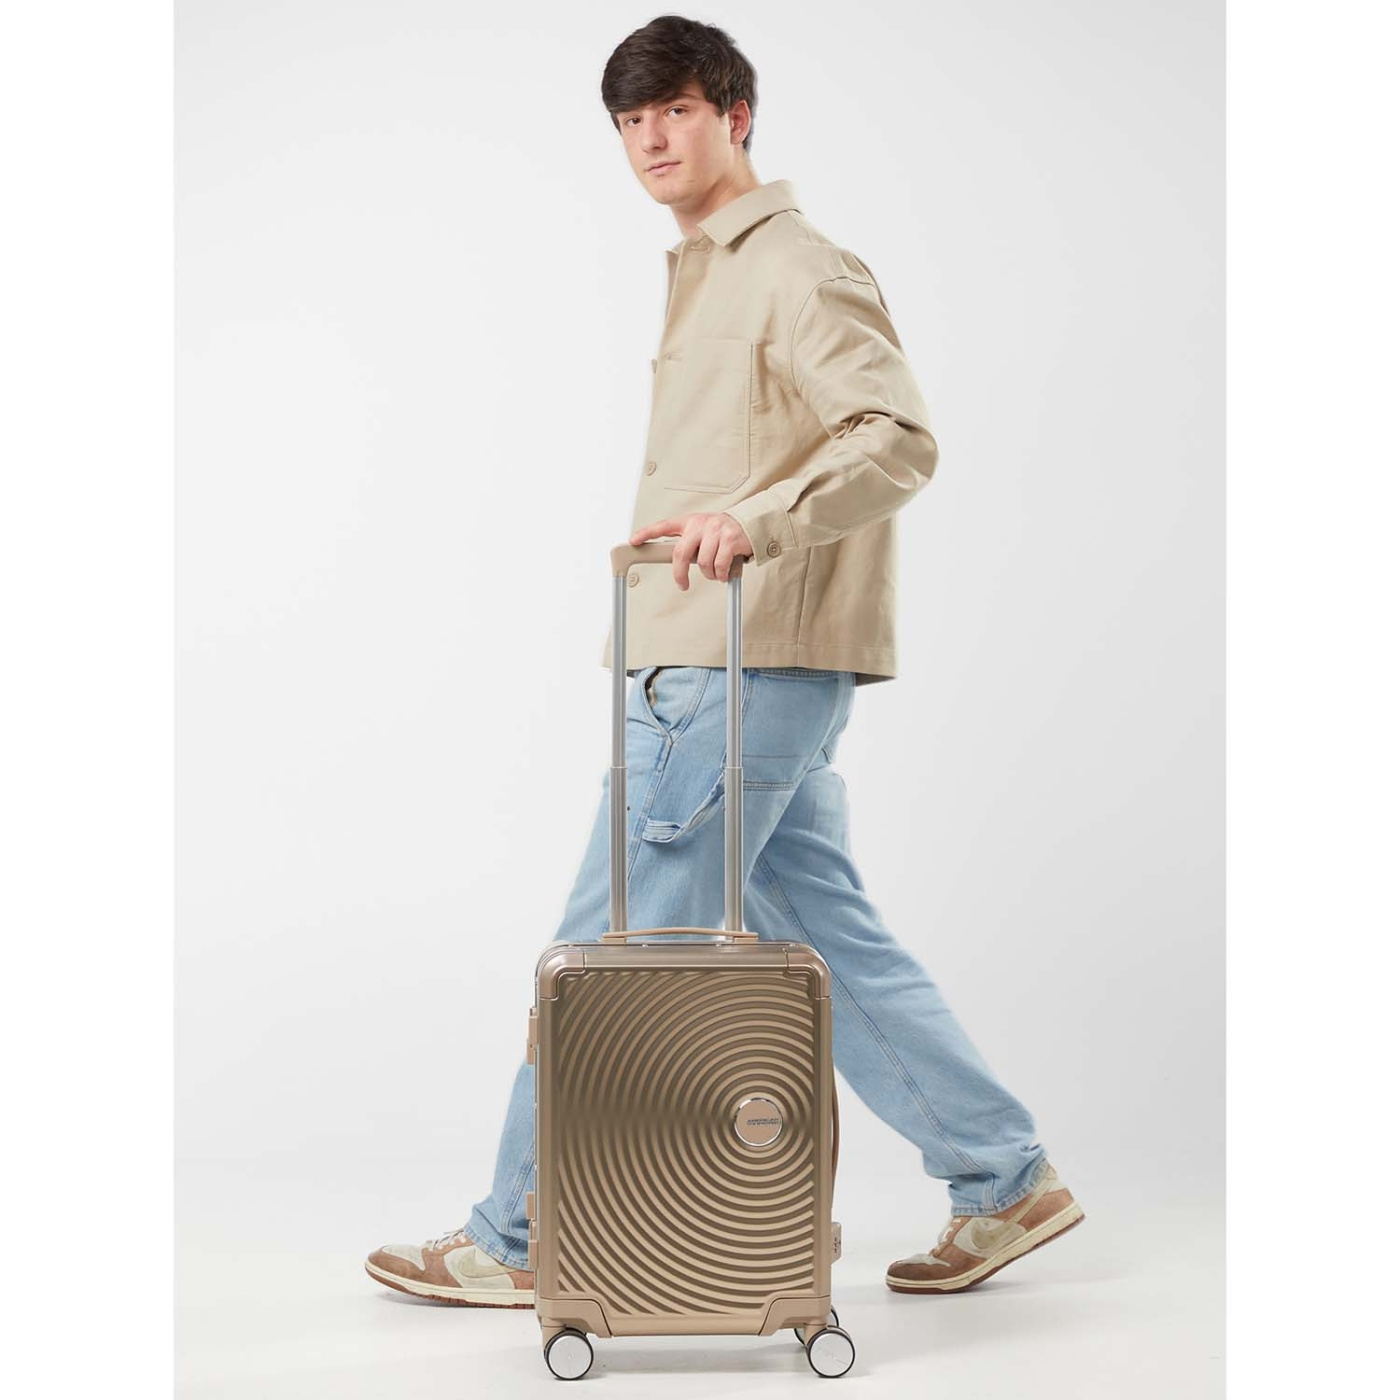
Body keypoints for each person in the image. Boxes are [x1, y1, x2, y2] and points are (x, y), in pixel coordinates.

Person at [365, 14, 1084, 1311]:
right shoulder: (707, 270)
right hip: (726, 663)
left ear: (735, 116)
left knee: (607, 947)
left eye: (677, 111)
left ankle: (520, 1237)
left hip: (735, 669)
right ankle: (1003, 1177)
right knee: (827, 938)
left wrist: (756, 519)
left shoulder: (794, 267)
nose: (651, 139)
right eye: (630, 121)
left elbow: (896, 437)